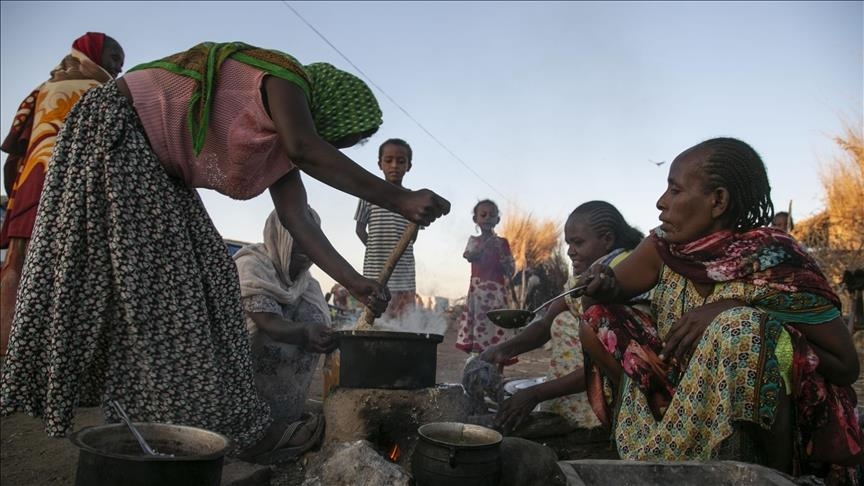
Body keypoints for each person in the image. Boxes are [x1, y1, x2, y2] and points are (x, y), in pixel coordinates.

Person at [0, 41, 450, 463]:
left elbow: (298, 220)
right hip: (119, 133)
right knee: (171, 300)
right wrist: (400, 198)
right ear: (327, 108)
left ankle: (210, 428)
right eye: (336, 137)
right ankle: (169, 433)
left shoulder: (282, 147)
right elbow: (306, 148)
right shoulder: (285, 79)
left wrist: (355, 282)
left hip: (153, 164)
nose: (329, 143)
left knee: (214, 280)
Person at [578, 138, 861, 481]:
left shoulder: (774, 259)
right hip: (677, 400)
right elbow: (610, 289)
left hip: (784, 422)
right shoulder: (664, 247)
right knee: (597, 319)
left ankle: (769, 475)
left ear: (718, 201)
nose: (660, 203)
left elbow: (845, 367)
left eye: (675, 190)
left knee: (740, 329)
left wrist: (740, 310)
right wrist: (603, 282)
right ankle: (665, 439)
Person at [0, 32, 125, 357]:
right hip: (77, 199)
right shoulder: (104, 93)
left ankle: (11, 351)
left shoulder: (41, 91)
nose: (119, 69)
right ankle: (55, 357)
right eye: (114, 59)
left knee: (21, 269)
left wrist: (16, 194)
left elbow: (15, 151)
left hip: (30, 190)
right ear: (94, 53)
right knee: (70, 274)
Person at [479, 201, 645, 433]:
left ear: (607, 239)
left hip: (618, 386)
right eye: (569, 243)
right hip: (584, 382)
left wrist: (536, 394)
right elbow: (546, 323)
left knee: (569, 323)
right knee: (562, 320)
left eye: (578, 243)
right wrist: (501, 350)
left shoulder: (622, 274)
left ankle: (599, 424)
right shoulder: (584, 276)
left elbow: (607, 360)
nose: (570, 251)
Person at [234, 209, 335, 459]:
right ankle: (252, 433)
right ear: (279, 234)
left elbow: (317, 323)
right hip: (245, 382)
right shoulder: (252, 265)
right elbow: (267, 322)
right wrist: (305, 331)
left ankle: (283, 422)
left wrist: (325, 337)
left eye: (310, 241)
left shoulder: (307, 284)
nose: (305, 249)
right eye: (296, 238)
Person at [355, 137, 418, 320]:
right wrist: (375, 247)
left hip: (404, 274)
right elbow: (360, 229)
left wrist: (397, 253)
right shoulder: (369, 195)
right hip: (375, 273)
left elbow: (412, 237)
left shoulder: (413, 199)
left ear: (409, 166)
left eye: (401, 161)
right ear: (379, 164)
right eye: (388, 160)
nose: (394, 166)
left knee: (404, 322)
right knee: (373, 319)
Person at [455, 200, 517, 362]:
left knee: (497, 326)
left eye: (492, 215)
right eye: (483, 215)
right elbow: (468, 255)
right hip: (478, 292)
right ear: (476, 219)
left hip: (497, 293)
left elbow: (510, 270)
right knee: (478, 325)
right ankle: (476, 361)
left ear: (497, 220)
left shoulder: (502, 243)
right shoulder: (474, 241)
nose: (488, 218)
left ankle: (497, 364)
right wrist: (482, 248)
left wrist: (506, 264)